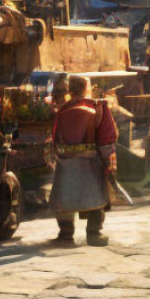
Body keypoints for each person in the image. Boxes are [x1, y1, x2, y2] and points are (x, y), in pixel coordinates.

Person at [50, 75, 117, 247]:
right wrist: (107, 162)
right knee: (96, 199)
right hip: (90, 163)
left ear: (70, 90)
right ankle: (94, 233)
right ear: (87, 88)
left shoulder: (62, 110)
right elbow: (106, 139)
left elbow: (55, 137)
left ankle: (65, 232)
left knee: (65, 198)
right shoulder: (98, 107)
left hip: (66, 163)